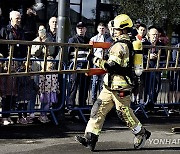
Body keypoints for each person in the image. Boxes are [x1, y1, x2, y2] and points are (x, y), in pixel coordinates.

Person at [75, 14, 151, 151]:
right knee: (98, 109)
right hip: (110, 86)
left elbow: (110, 66)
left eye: (115, 29)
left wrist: (94, 59)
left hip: (120, 86)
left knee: (124, 113)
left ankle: (141, 133)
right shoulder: (128, 43)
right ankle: (90, 138)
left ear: (122, 30)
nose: (113, 31)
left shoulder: (120, 46)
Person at [67, 22, 91, 108]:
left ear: (85, 29)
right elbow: (68, 54)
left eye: (83, 28)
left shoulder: (89, 40)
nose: (81, 29)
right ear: (76, 29)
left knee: (84, 88)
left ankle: (82, 106)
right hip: (75, 67)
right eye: (79, 28)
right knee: (73, 87)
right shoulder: (72, 40)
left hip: (85, 67)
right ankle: (71, 107)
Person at [143, 27, 166, 111]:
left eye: (156, 34)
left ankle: (153, 103)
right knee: (147, 86)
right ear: (149, 35)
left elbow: (165, 56)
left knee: (157, 86)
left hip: (156, 69)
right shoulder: (144, 43)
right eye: (153, 34)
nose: (155, 36)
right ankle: (146, 103)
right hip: (147, 69)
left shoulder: (161, 45)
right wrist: (148, 56)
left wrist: (158, 56)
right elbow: (140, 55)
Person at [90, 22, 112, 103]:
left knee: (102, 80)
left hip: (104, 61)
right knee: (95, 80)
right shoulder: (94, 38)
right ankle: (93, 98)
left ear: (105, 29)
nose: (101, 30)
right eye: (100, 28)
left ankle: (101, 98)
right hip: (96, 60)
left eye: (103, 28)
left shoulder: (109, 38)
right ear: (97, 29)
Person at [38, 56, 59, 123]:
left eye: (52, 63)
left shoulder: (55, 72)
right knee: (44, 103)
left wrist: (57, 88)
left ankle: (44, 114)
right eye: (50, 62)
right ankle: (42, 115)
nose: (52, 64)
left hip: (52, 90)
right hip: (45, 90)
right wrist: (40, 89)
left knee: (49, 103)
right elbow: (41, 82)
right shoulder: (43, 72)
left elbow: (56, 81)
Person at [0, 58, 18, 125]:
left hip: (11, 92)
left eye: (14, 65)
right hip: (6, 92)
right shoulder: (5, 73)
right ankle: (4, 117)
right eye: (12, 65)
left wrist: (15, 91)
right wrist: (3, 92)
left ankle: (8, 116)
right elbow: (2, 84)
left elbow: (15, 83)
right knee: (5, 104)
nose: (13, 66)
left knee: (9, 105)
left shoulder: (14, 74)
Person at [167, 43, 180, 113]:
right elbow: (175, 59)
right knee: (173, 88)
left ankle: (176, 106)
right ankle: (170, 106)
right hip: (174, 70)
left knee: (178, 89)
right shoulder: (176, 47)